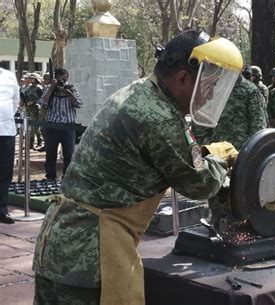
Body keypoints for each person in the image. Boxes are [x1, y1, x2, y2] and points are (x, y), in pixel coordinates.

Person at [32, 31, 243, 305]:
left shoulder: (140, 92)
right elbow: (199, 184)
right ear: (182, 78)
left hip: (59, 244)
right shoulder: (160, 118)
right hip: (90, 256)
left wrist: (203, 154)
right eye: (208, 85)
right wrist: (219, 157)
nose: (211, 93)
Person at [193, 68, 267, 222]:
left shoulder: (249, 91)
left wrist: (251, 156)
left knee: (242, 198)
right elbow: (200, 123)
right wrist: (204, 148)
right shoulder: (212, 88)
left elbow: (258, 127)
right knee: (217, 195)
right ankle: (219, 225)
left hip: (241, 156)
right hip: (215, 155)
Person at [38, 68, 82, 180]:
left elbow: (79, 103)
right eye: (61, 79)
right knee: (51, 154)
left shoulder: (71, 88)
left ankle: (67, 178)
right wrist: (52, 88)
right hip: (53, 126)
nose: (63, 81)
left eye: (65, 79)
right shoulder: (49, 88)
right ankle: (50, 176)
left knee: (69, 154)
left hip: (68, 127)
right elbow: (42, 103)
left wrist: (67, 92)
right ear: (56, 78)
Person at [0, 68, 19, 224]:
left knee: (5, 173)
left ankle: (2, 211)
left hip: (6, 131)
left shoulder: (10, 76)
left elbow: (15, 102)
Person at [21, 73, 43, 149]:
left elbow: (42, 98)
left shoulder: (39, 88)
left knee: (36, 126)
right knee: (29, 126)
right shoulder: (29, 87)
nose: (31, 79)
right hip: (28, 108)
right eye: (30, 78)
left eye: (32, 78)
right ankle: (30, 144)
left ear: (36, 79)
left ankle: (40, 142)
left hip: (35, 108)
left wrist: (33, 102)